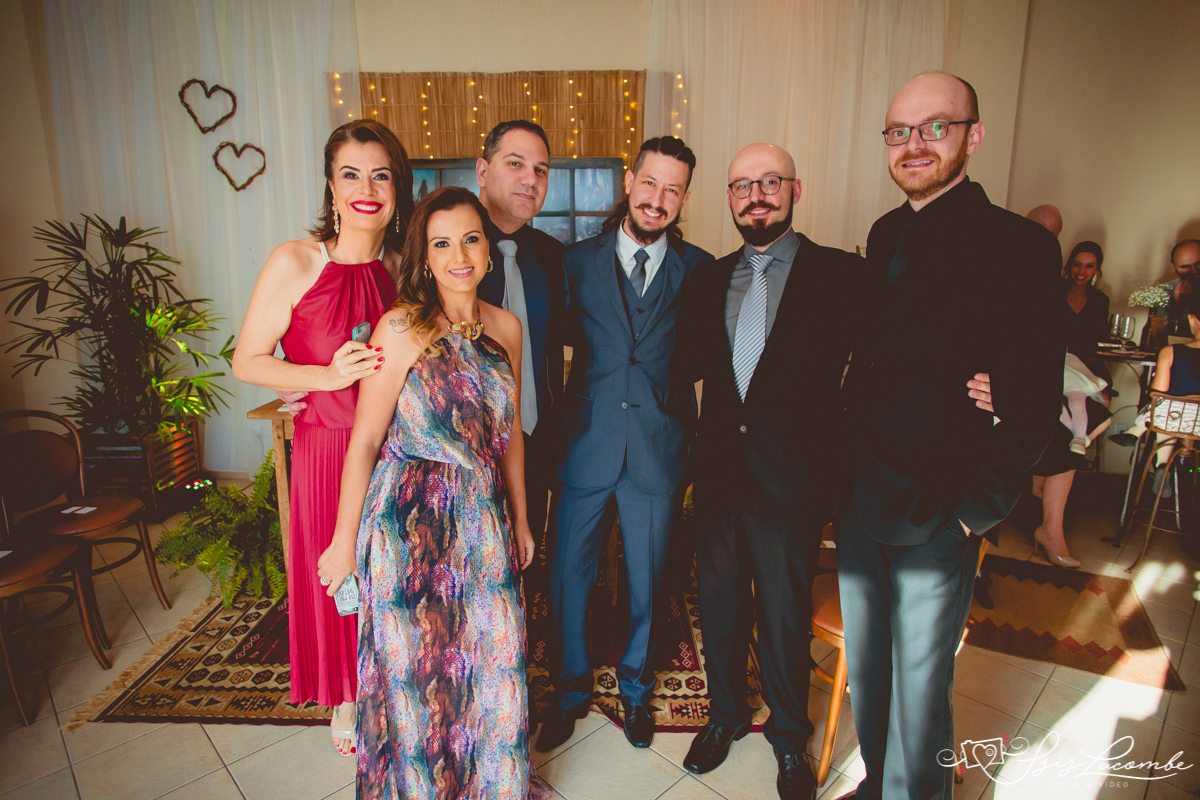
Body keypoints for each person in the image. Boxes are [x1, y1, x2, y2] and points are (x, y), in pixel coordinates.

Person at [836, 72, 1062, 800]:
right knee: (871, 672)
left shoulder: (1020, 246)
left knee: (920, 687)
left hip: (941, 510)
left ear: (974, 135)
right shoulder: (884, 232)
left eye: (935, 127)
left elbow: (1037, 399)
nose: (914, 144)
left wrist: (976, 512)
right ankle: (878, 783)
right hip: (864, 497)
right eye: (899, 131)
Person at [315, 186, 549, 799]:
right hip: (408, 520)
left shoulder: (507, 329)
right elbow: (365, 441)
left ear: (488, 250)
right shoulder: (400, 328)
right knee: (419, 673)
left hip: (482, 514)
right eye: (442, 244)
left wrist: (522, 518)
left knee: (493, 659)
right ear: (423, 255)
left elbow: (510, 437)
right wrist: (343, 542)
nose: (459, 256)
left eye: (470, 239)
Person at [678, 142, 859, 798]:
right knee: (720, 608)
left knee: (784, 617)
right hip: (720, 480)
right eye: (742, 185)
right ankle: (725, 715)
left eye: (770, 182)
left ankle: (788, 738)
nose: (756, 195)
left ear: (794, 189)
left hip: (793, 482)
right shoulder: (709, 279)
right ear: (729, 198)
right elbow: (689, 371)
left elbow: (876, 369)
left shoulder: (840, 274)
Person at [231, 120, 415, 757]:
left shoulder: (404, 268)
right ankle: (346, 692)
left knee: (393, 572)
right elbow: (247, 360)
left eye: (381, 175)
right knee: (340, 572)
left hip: (398, 449)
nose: (367, 188)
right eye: (351, 175)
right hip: (327, 447)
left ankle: (393, 681)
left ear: (398, 188)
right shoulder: (295, 261)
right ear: (331, 187)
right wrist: (321, 376)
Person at [536, 136, 713, 753]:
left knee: (651, 583)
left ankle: (637, 691)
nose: (658, 198)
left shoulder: (701, 270)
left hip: (659, 452)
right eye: (650, 182)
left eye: (673, 189)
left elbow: (706, 355)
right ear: (630, 181)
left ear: (684, 198)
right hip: (585, 446)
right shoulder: (573, 263)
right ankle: (569, 693)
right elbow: (551, 342)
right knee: (568, 578)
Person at [473, 121, 566, 656]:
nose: (530, 179)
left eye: (541, 169)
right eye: (515, 163)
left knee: (527, 557)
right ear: (483, 170)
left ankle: (517, 666)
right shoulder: (451, 245)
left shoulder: (553, 257)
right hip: (468, 445)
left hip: (535, 439)